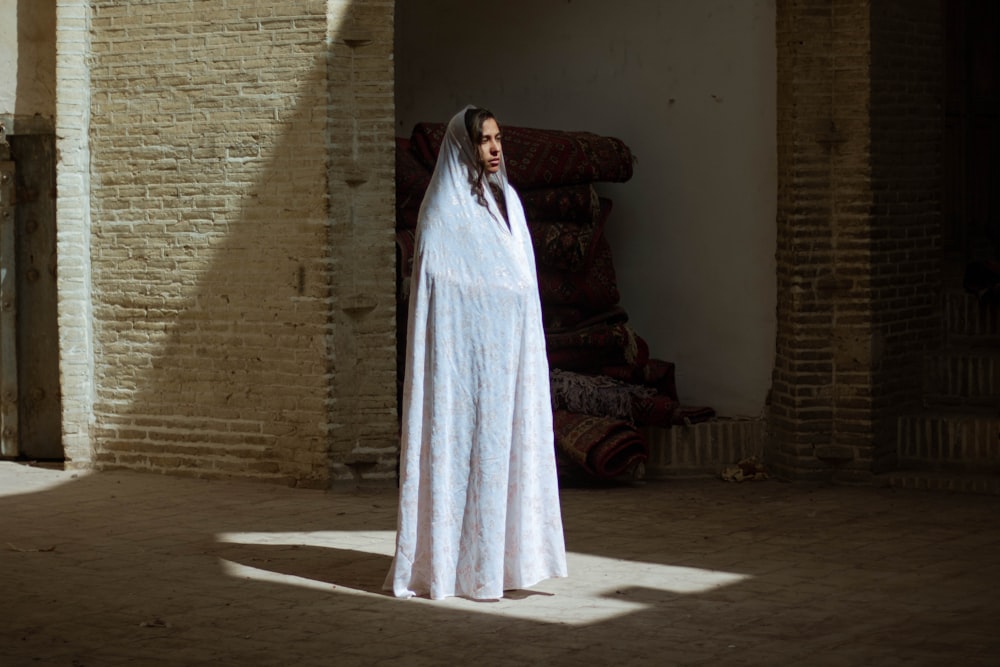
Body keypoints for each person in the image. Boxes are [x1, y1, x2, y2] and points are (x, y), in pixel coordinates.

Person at [384, 106, 568, 600]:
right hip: (461, 368)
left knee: (500, 461)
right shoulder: (443, 210)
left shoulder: (506, 202)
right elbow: (440, 290)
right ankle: (453, 569)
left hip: (506, 362)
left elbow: (520, 280)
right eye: (485, 140)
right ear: (465, 146)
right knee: (464, 459)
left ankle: (501, 568)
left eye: (498, 138)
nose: (494, 148)